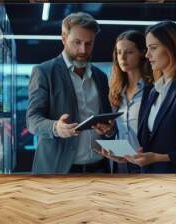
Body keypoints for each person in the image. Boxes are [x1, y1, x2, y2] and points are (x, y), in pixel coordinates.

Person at [98, 21, 176, 173]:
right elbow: (149, 145)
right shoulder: (155, 91)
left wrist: (159, 158)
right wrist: (126, 157)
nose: (148, 55)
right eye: (148, 49)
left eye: (153, 48)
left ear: (172, 48)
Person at [26, 12, 115, 174]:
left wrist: (109, 130)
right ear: (64, 39)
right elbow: (32, 120)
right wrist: (55, 128)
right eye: (77, 42)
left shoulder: (100, 77)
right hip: (59, 169)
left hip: (99, 167)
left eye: (89, 43)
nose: (83, 49)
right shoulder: (44, 72)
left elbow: (107, 120)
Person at [93, 30, 153, 173]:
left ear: (142, 53)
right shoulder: (116, 91)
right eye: (119, 52)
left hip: (147, 163)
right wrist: (110, 131)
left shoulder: (153, 89)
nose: (123, 58)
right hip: (120, 163)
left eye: (129, 52)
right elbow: (120, 131)